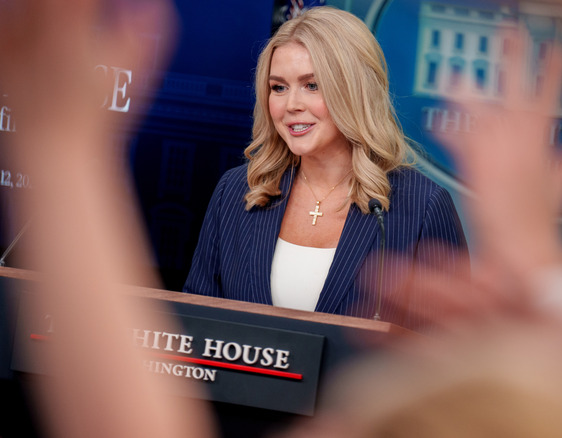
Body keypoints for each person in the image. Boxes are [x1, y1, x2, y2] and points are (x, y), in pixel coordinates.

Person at [182, 7, 467, 327]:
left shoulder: (423, 205)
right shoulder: (236, 191)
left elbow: (452, 353)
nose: (291, 105)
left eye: (312, 85)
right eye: (279, 87)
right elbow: (197, 326)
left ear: (355, 91)